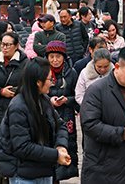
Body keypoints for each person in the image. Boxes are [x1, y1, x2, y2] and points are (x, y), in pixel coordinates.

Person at [80, 46, 125, 183]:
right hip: (104, 167)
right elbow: (90, 125)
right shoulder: (96, 90)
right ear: (118, 67)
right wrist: (121, 134)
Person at [0, 57, 71, 184]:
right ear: (38, 82)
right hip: (23, 175)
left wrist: (61, 146)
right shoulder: (18, 107)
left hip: (44, 170)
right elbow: (23, 147)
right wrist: (55, 155)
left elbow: (61, 125)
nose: (52, 83)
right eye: (49, 79)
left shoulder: (44, 100)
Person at [0, 31, 28, 184]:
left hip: (17, 109)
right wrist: (0, 91)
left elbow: (27, 85)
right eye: (3, 44)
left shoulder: (24, 63)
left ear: (16, 46)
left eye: (8, 45)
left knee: (15, 148)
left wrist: (16, 92)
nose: (5, 48)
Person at [44, 41, 79, 181]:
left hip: (66, 114)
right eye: (51, 57)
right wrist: (49, 100)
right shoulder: (43, 72)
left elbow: (77, 96)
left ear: (64, 57)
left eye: (58, 56)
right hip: (47, 113)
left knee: (65, 144)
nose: (55, 60)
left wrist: (67, 100)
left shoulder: (71, 73)